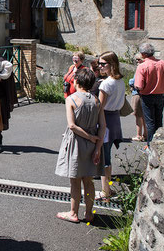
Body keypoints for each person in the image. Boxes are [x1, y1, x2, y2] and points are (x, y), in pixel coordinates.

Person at [55, 68, 105, 223]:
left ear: (76, 81)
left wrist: (89, 137)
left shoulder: (71, 99)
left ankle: (73, 213)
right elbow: (103, 126)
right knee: (88, 180)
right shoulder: (96, 101)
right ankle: (89, 213)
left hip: (77, 142)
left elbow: (72, 126)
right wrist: (97, 146)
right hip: (93, 144)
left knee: (75, 180)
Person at [97, 51, 125, 201]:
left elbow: (100, 107)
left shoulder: (106, 83)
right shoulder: (119, 81)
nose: (100, 66)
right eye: (99, 63)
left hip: (106, 119)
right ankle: (107, 188)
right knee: (107, 156)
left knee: (104, 158)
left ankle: (105, 191)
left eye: (103, 64)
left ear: (111, 65)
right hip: (115, 118)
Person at [133, 43, 164, 147]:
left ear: (143, 54)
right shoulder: (162, 63)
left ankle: (150, 145)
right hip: (160, 95)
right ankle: (159, 144)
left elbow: (139, 85)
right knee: (159, 120)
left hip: (147, 96)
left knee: (150, 122)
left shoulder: (142, 66)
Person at [129, 53, 147, 142]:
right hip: (144, 94)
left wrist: (130, 82)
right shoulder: (147, 67)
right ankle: (145, 134)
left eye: (139, 59)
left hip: (137, 94)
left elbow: (135, 81)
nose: (137, 61)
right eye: (136, 60)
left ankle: (139, 135)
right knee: (143, 116)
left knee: (138, 115)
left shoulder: (140, 68)